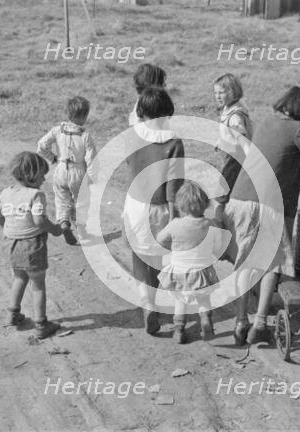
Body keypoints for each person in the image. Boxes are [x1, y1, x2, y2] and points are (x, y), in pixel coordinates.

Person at [223, 86, 300, 345]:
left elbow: (274, 163)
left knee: (245, 263)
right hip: (270, 206)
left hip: (240, 200)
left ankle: (240, 323)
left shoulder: (267, 122)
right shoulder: (299, 129)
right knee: (270, 265)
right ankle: (259, 324)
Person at [123, 87, 184, 335]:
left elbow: (129, 164)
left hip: (135, 205)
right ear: (167, 111)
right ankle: (155, 301)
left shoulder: (132, 136)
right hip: (160, 208)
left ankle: (147, 304)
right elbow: (174, 183)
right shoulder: (174, 141)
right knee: (157, 256)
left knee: (138, 255)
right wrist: (175, 215)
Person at [0, 151, 63, 339]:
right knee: (38, 285)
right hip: (32, 245)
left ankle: (12, 314)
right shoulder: (36, 195)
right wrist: (55, 230)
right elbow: (39, 221)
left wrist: (9, 227)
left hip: (12, 244)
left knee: (19, 277)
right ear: (31, 175)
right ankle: (41, 324)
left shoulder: (5, 192)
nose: (44, 179)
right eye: (42, 175)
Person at [156, 181, 227, 343]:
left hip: (180, 271)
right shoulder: (211, 225)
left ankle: (179, 330)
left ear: (181, 205)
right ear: (205, 205)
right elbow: (217, 247)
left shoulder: (175, 225)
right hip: (202, 271)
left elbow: (160, 240)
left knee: (180, 301)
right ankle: (206, 320)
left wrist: (172, 244)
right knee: (204, 300)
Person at [37, 96, 98, 245]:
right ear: (84, 116)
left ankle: (64, 223)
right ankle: (82, 231)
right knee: (81, 202)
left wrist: (52, 158)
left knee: (61, 200)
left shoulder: (57, 130)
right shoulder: (85, 136)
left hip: (61, 169)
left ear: (68, 114)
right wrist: (92, 177)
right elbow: (92, 159)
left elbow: (41, 145)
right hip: (78, 172)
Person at [211, 73, 253, 222]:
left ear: (232, 92)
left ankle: (220, 227)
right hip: (230, 157)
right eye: (215, 92)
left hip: (234, 161)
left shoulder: (235, 116)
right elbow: (227, 131)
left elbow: (241, 138)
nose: (217, 96)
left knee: (220, 198)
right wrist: (220, 141)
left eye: (221, 92)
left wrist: (251, 159)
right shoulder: (229, 109)